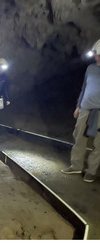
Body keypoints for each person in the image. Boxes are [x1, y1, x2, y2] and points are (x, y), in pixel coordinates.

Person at [61, 39, 100, 183]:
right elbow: (84, 87)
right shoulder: (90, 68)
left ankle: (91, 171)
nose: (97, 58)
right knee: (79, 138)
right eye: (96, 55)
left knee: (99, 143)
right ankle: (76, 165)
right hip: (85, 108)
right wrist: (78, 106)